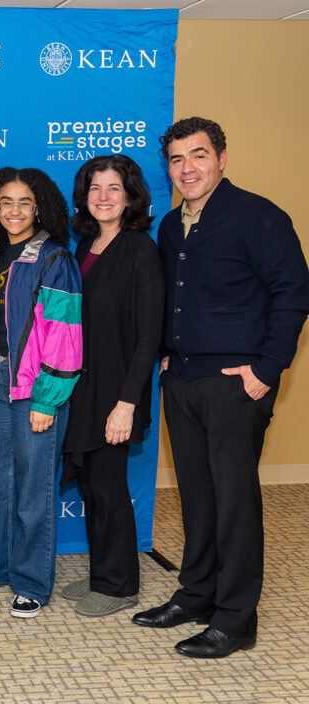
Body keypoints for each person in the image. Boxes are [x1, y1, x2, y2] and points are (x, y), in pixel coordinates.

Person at [132, 117, 309, 658]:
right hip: (183, 380)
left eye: (199, 155)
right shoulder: (169, 226)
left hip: (237, 383)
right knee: (199, 498)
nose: (188, 168)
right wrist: (164, 351)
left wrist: (266, 370)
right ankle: (196, 594)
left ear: (222, 158)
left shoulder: (257, 216)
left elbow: (294, 293)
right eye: (178, 159)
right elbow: (172, 295)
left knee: (233, 502)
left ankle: (236, 619)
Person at [0, 167, 82, 619]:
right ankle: (0, 566)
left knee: (34, 488)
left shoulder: (54, 259)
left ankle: (32, 581)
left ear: (40, 208)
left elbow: (64, 333)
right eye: (6, 202)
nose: (14, 211)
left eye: (24, 203)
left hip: (37, 384)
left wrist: (47, 398)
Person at [60, 155, 164, 617]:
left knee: (109, 486)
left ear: (130, 196)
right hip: (83, 389)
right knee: (91, 487)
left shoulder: (139, 249)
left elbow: (148, 335)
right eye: (95, 188)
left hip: (117, 391)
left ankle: (121, 586)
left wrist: (127, 404)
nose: (103, 197)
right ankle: (104, 573)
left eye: (114, 188)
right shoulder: (84, 247)